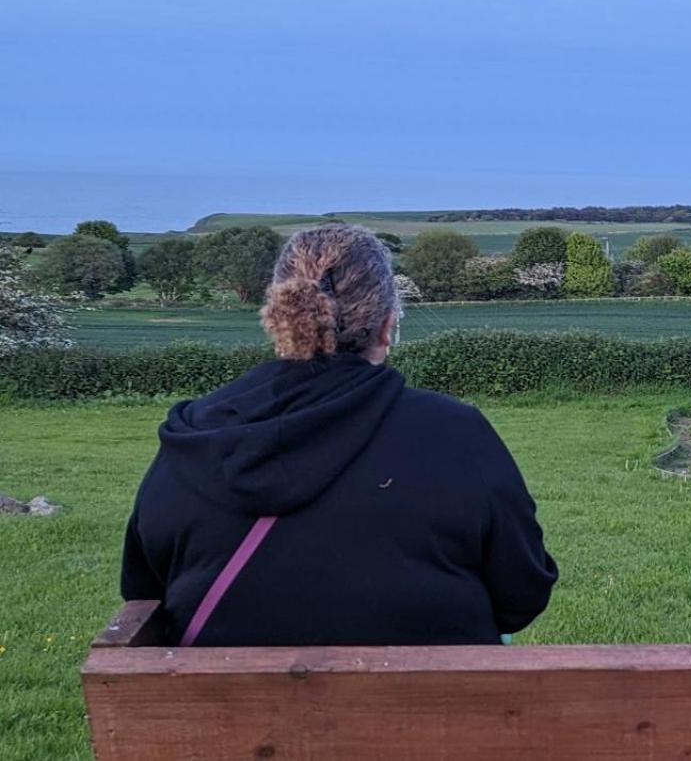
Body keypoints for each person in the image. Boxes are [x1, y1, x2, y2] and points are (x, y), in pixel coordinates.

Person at [120, 224, 557, 646]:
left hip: (225, 719)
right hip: (432, 717)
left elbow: (144, 595)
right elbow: (522, 597)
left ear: (279, 320)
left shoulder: (194, 435)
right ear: (387, 325)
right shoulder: (458, 433)